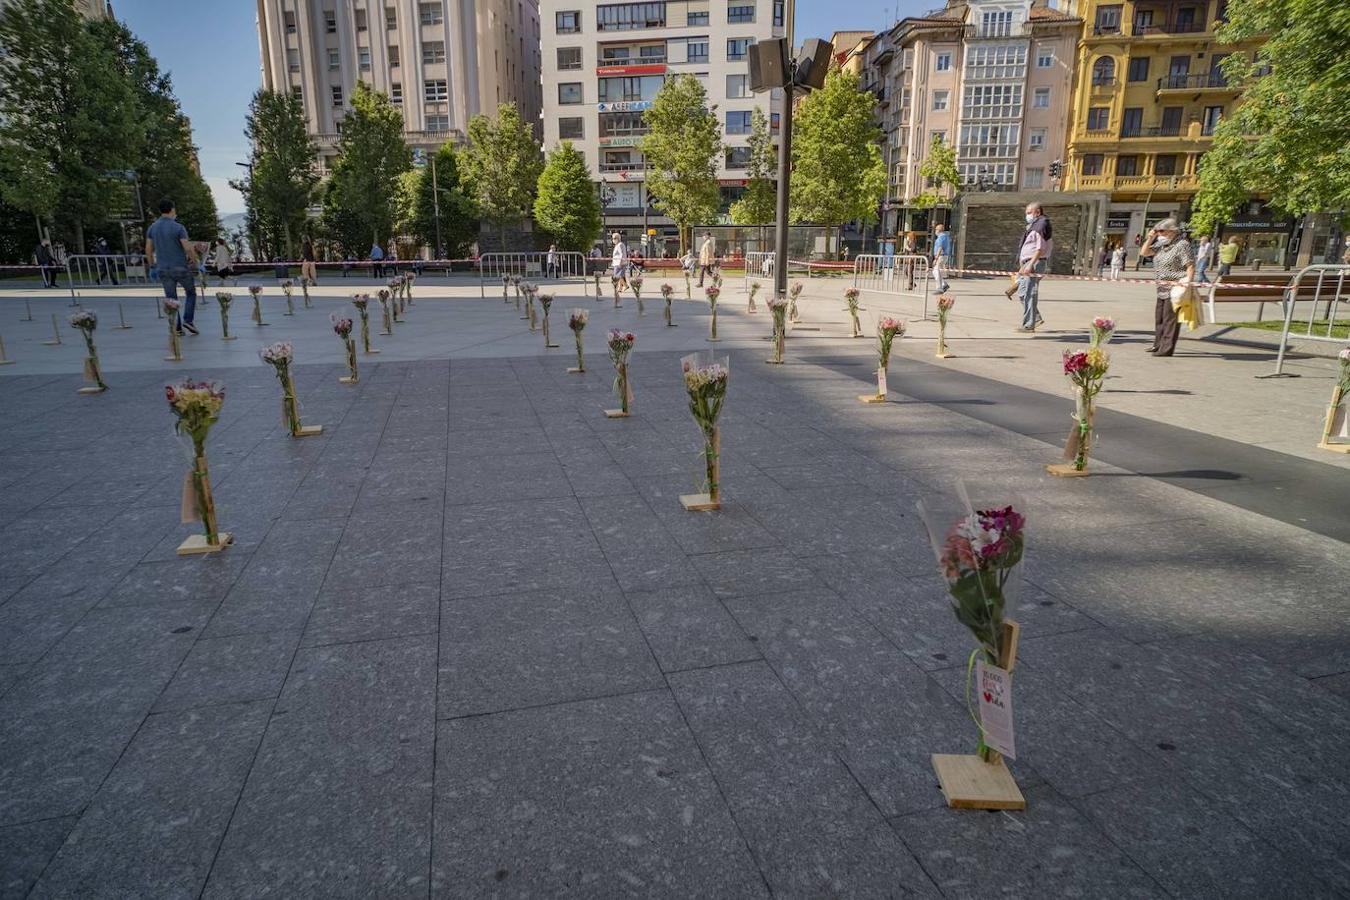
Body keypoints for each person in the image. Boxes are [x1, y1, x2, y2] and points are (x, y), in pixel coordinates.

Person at [1138, 217, 1195, 358]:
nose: (1159, 234)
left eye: (1161, 231)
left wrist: (1187, 284)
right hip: (1162, 288)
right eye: (1157, 231)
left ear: (1172, 231)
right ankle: (1158, 344)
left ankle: (1166, 348)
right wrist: (1150, 238)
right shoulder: (1162, 245)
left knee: (1170, 320)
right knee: (1160, 318)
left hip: (1175, 287)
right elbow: (1144, 253)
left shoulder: (1182, 244)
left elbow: (1190, 265)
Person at [145, 197, 200, 335]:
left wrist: (152, 266)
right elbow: (187, 247)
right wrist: (195, 262)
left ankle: (177, 328)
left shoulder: (152, 228)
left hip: (163, 268)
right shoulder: (178, 227)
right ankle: (188, 319)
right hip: (180, 266)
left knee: (171, 299)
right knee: (191, 293)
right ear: (172, 209)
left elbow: (148, 249)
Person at [1014, 202, 1052, 332]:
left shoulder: (1040, 227)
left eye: (1029, 213)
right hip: (1027, 264)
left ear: (1038, 212)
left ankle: (1029, 325)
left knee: (1030, 292)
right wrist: (1023, 266)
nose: (1027, 215)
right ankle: (1035, 317)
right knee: (1022, 292)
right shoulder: (1033, 226)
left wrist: (1030, 264)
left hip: (1034, 263)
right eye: (1026, 213)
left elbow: (1039, 249)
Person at [931, 223, 952, 293]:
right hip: (944, 256)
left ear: (939, 230)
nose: (935, 231)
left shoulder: (941, 237)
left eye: (936, 229)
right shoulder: (946, 236)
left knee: (937, 271)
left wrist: (936, 258)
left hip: (941, 256)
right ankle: (944, 284)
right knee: (935, 271)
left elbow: (940, 248)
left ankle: (939, 288)